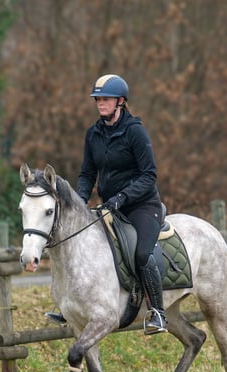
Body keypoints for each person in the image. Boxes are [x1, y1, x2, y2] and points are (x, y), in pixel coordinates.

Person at [76, 73, 167, 335]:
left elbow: (149, 174)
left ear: (121, 101)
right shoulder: (93, 134)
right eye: (97, 99)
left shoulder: (135, 131)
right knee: (87, 248)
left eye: (105, 99)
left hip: (142, 206)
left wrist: (122, 198)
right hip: (110, 207)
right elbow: (86, 174)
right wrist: (80, 201)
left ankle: (158, 312)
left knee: (141, 254)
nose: (100, 103)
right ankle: (72, 306)